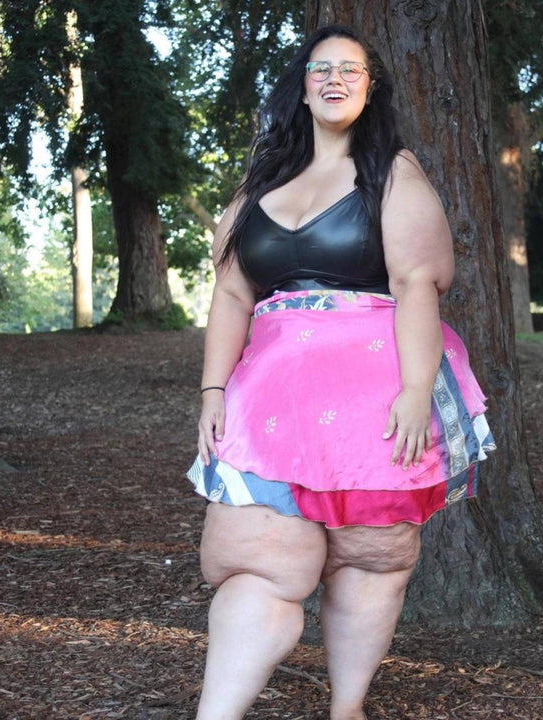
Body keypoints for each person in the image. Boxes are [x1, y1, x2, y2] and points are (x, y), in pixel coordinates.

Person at [186, 24, 495, 720]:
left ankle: (346, 709)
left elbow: (419, 282)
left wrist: (418, 392)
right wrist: (210, 389)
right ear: (301, 84)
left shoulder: (393, 170)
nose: (335, 79)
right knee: (256, 561)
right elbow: (233, 294)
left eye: (351, 69)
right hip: (271, 399)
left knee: (372, 552)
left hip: (375, 395)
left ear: (371, 85)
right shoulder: (260, 180)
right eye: (321, 67)